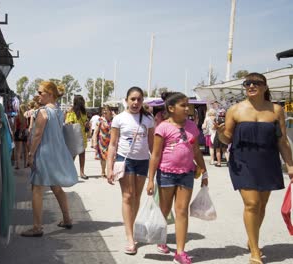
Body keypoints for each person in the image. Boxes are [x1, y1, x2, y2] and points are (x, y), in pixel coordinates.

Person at [216, 72, 293, 264]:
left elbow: (282, 141)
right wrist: (219, 133)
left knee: (262, 205)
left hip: (268, 161)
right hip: (243, 161)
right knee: (251, 203)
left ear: (265, 87)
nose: (251, 85)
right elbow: (227, 139)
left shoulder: (276, 110)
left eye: (256, 83)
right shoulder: (235, 110)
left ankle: (252, 239)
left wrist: (290, 165)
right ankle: (255, 252)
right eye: (247, 83)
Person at [146, 92, 208, 264]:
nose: (187, 108)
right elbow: (155, 156)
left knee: (182, 211)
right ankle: (161, 239)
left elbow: (196, 150)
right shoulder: (163, 127)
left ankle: (180, 252)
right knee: (164, 211)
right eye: (183, 105)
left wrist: (204, 171)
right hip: (166, 174)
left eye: (188, 105)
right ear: (171, 108)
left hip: (187, 174)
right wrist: (151, 179)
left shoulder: (192, 127)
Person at [21, 81, 78, 237]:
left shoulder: (43, 112)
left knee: (37, 188)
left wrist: (31, 154)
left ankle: (37, 227)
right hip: (56, 153)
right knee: (56, 187)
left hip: (43, 154)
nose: (38, 95)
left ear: (50, 94)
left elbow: (38, 135)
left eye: (41, 92)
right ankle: (67, 219)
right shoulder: (59, 111)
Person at [106, 87, 154, 255]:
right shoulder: (119, 119)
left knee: (136, 197)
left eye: (139, 99)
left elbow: (152, 145)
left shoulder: (148, 120)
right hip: (124, 161)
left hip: (142, 162)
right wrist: (108, 166)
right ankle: (130, 237)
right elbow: (112, 144)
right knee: (127, 195)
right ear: (126, 100)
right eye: (132, 99)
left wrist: (158, 164)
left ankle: (132, 228)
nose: (136, 102)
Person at [65, 95, 89, 180]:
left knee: (82, 154)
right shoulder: (71, 111)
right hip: (74, 136)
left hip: (82, 136)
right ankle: (69, 172)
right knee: (73, 155)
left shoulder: (84, 112)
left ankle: (82, 172)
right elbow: (69, 123)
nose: (83, 102)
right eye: (82, 100)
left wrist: (86, 123)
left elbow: (86, 120)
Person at [92, 105, 113, 177]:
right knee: (103, 158)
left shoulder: (114, 120)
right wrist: (94, 142)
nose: (104, 111)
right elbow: (95, 132)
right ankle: (103, 171)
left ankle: (110, 171)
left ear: (110, 111)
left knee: (111, 157)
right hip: (102, 142)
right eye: (103, 110)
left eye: (106, 110)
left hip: (111, 142)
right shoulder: (100, 120)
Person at [14, 104, 28, 169]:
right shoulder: (26, 117)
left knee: (18, 150)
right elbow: (26, 125)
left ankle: (18, 165)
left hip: (18, 132)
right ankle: (25, 164)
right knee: (25, 150)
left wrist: (17, 133)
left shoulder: (16, 117)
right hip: (24, 133)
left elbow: (14, 127)